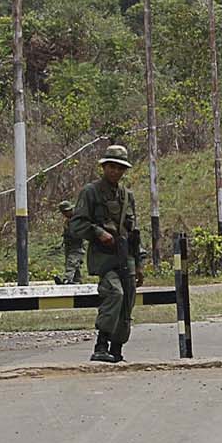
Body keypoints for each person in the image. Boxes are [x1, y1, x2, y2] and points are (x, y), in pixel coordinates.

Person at [70, 145, 143, 363]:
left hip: (126, 254)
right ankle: (101, 344)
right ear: (104, 167)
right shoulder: (91, 192)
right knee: (115, 294)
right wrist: (98, 232)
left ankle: (117, 348)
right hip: (104, 256)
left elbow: (134, 232)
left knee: (128, 300)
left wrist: (139, 263)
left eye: (120, 168)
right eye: (111, 167)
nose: (115, 171)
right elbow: (77, 224)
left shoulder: (127, 196)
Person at [57, 200, 84, 285]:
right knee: (74, 265)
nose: (66, 213)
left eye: (68, 211)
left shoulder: (77, 219)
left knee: (71, 263)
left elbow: (80, 233)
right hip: (69, 246)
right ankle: (77, 281)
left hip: (77, 246)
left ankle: (67, 279)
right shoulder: (68, 221)